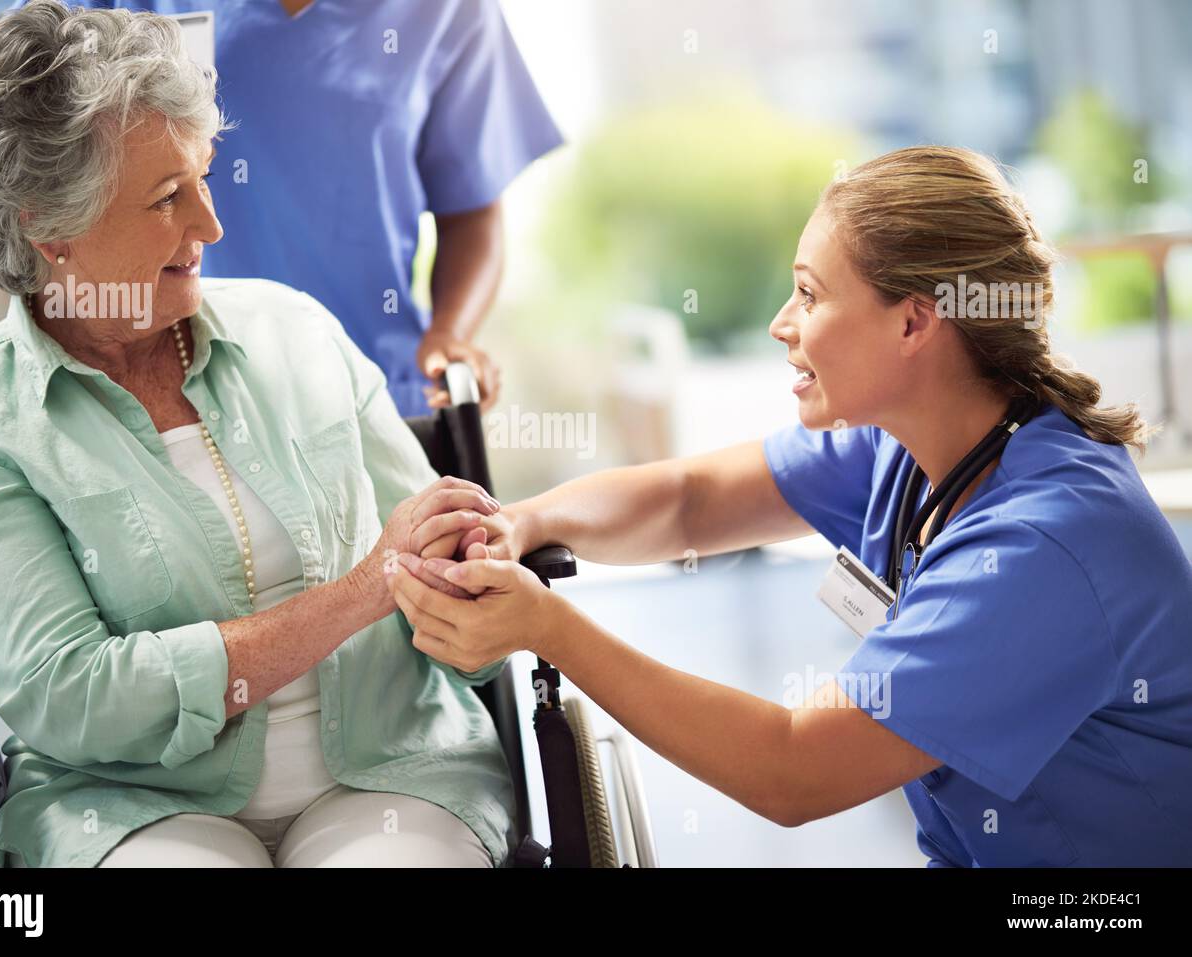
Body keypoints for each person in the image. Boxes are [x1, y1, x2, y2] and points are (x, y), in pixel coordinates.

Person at [385, 146, 1192, 867]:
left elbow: (792, 770)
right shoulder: (910, 447)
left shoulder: (1044, 548)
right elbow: (690, 503)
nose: (781, 323)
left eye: (810, 295)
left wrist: (547, 627)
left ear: (915, 320)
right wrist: (525, 521)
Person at [0, 0, 515, 868]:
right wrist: (358, 592)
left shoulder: (297, 331)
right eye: (166, 198)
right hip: (130, 805)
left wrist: (466, 574)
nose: (211, 226)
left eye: (204, 178)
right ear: (49, 226)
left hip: (392, 773)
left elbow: (437, 564)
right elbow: (74, 696)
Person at [0, 0, 565, 417]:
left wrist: (449, 335)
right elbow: (5, 131)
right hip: (172, 387)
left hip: (378, 383)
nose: (210, 225)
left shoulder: (444, 13)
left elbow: (473, 209)